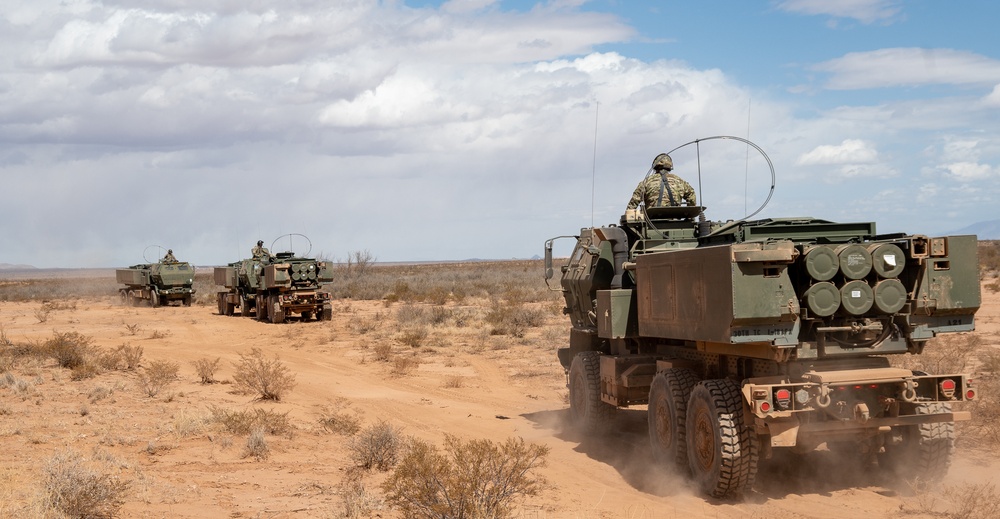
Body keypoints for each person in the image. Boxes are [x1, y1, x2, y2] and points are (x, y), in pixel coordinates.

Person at [626, 153, 696, 210]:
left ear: (655, 166)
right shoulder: (680, 181)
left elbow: (634, 202)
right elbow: (691, 196)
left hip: (651, 220)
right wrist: (689, 217)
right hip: (675, 219)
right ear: (670, 166)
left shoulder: (647, 181)